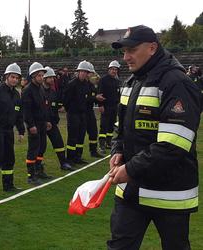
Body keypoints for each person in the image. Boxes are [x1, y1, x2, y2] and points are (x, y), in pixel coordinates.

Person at [107, 25, 201, 250]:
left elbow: (173, 145)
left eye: (132, 50)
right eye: (123, 51)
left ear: (152, 48)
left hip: (169, 193)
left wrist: (129, 169)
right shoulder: (131, 82)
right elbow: (120, 129)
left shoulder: (177, 82)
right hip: (131, 191)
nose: (126, 57)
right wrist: (117, 150)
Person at [0, 63, 25, 195]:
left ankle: (8, 185)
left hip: (8, 131)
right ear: (6, 76)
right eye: (12, 77)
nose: (15, 80)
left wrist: (21, 131)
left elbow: (19, 114)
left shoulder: (17, 95)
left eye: (17, 78)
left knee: (9, 158)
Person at [22, 62, 52, 185]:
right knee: (33, 149)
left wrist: (46, 121)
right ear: (33, 76)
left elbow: (43, 107)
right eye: (39, 75)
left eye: (42, 75)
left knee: (42, 147)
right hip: (33, 125)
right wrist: (30, 125)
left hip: (41, 124)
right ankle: (31, 175)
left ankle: (39, 170)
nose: (41, 77)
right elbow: (26, 110)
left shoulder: (40, 89)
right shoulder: (27, 90)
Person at [43, 66, 74, 171]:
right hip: (42, 124)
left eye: (53, 77)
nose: (52, 79)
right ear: (44, 78)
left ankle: (63, 163)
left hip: (52, 123)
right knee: (39, 147)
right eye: (49, 78)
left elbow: (55, 106)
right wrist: (45, 122)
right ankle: (38, 167)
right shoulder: (40, 92)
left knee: (59, 143)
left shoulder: (53, 92)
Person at [63, 60, 92, 164]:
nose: (84, 73)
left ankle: (78, 156)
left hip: (82, 114)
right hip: (73, 114)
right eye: (82, 71)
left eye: (86, 72)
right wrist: (70, 110)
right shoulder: (72, 84)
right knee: (72, 137)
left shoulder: (86, 84)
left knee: (81, 136)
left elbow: (87, 98)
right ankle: (70, 158)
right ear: (78, 72)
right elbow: (66, 99)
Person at [97, 60, 121, 154]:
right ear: (109, 70)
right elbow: (99, 93)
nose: (114, 71)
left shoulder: (117, 81)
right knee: (104, 126)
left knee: (111, 125)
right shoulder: (103, 80)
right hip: (105, 106)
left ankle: (108, 142)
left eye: (115, 70)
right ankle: (101, 145)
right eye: (112, 69)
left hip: (114, 107)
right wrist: (100, 105)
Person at [86, 62, 104, 157]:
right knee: (78, 135)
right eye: (91, 73)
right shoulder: (82, 84)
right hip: (82, 112)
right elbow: (84, 98)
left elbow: (94, 95)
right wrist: (95, 98)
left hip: (89, 111)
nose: (93, 75)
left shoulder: (91, 85)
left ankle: (93, 151)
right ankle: (75, 155)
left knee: (93, 131)